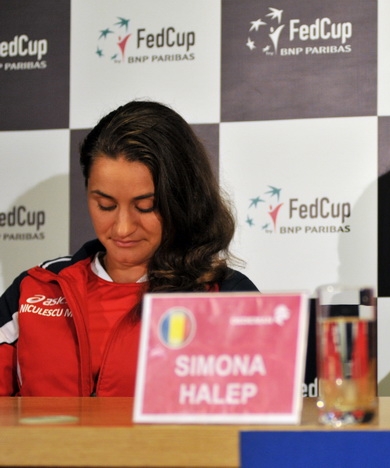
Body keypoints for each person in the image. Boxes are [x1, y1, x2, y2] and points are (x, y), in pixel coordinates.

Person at [0, 100, 258, 396]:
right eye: (105, 205)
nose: (122, 227)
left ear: (182, 201)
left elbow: (259, 424)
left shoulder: (228, 298)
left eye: (146, 206)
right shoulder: (36, 289)